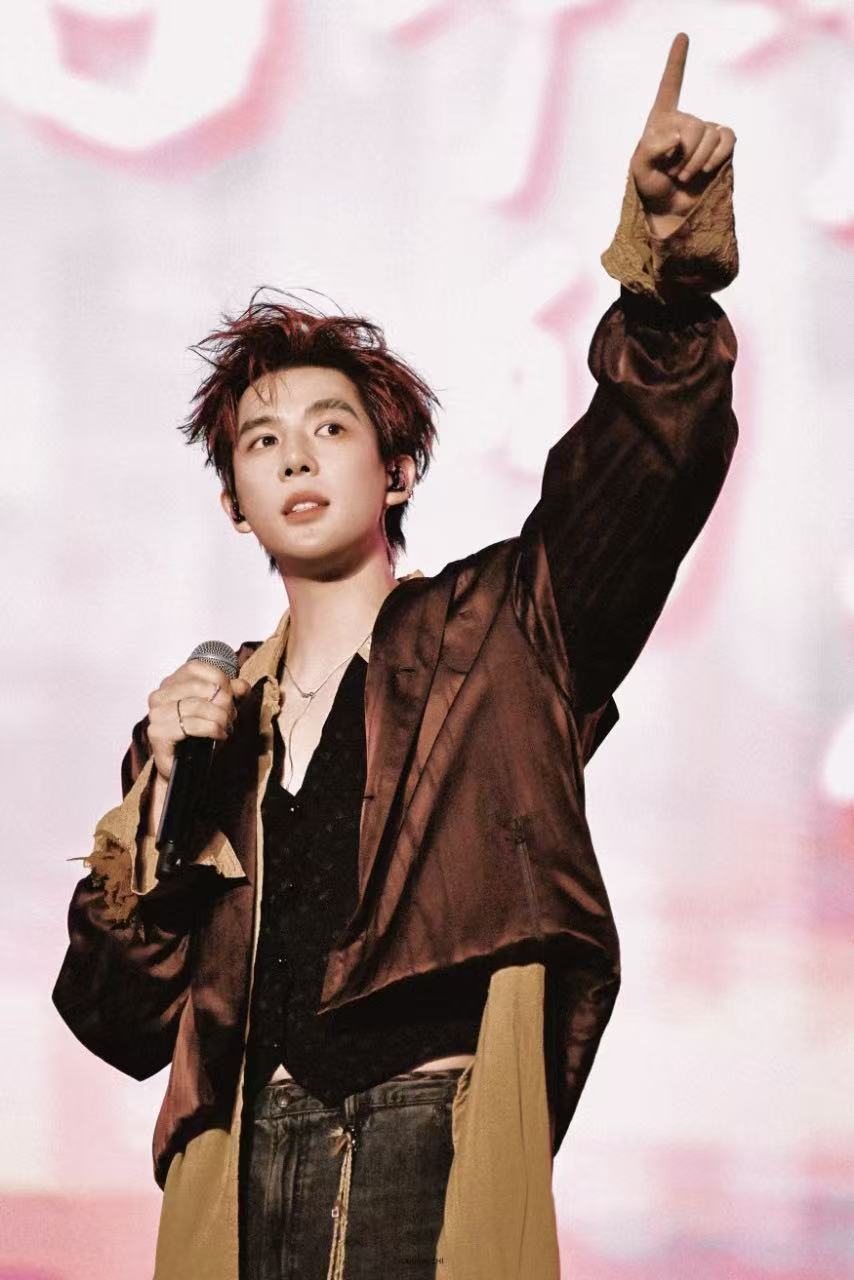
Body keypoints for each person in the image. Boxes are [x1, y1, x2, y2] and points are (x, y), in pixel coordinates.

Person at [52, 31, 739, 1280]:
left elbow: (645, 461)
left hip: (430, 1134)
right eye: (261, 440)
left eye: (330, 426)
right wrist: (159, 802)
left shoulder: (502, 630)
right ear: (234, 502)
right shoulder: (210, 715)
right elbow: (117, 1018)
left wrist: (665, 277)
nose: (296, 455)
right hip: (249, 1160)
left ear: (397, 467)